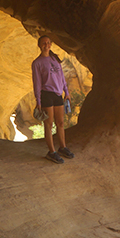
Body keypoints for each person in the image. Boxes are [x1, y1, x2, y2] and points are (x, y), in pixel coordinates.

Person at [32, 35, 75, 164]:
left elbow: (62, 76)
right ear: (39, 45)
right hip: (46, 95)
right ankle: (51, 152)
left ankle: (63, 147)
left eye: (48, 43)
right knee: (49, 124)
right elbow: (37, 83)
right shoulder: (37, 63)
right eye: (44, 43)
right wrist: (38, 101)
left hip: (57, 95)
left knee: (61, 123)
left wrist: (66, 92)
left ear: (51, 45)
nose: (46, 45)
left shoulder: (55, 59)